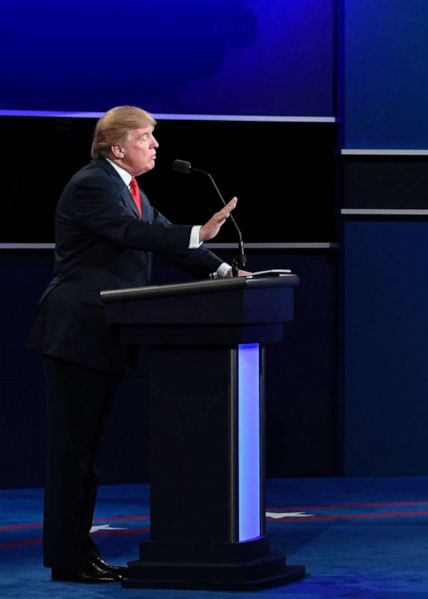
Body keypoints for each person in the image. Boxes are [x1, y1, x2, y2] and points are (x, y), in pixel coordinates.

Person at [27, 106, 239, 583]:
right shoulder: (93, 184)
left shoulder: (130, 190)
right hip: (76, 333)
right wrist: (197, 232)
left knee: (87, 455)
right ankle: (68, 558)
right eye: (146, 137)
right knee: (72, 455)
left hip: (102, 334)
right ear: (117, 146)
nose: (156, 145)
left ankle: (78, 552)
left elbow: (166, 239)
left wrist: (226, 272)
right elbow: (134, 235)